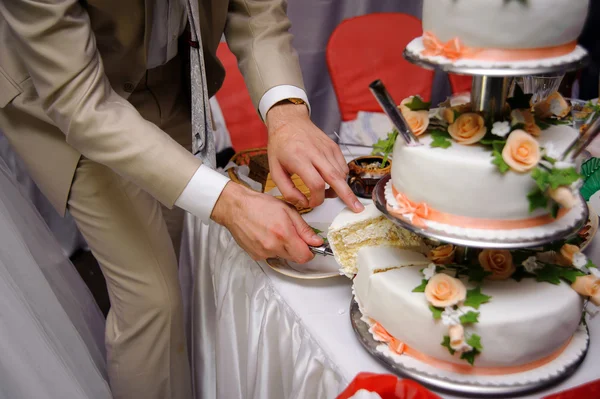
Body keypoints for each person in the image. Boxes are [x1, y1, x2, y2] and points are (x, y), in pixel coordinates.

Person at [0, 1, 363, 398]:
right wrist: (229, 203)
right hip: (64, 99)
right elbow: (83, 106)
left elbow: (257, 13)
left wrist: (287, 115)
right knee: (152, 300)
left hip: (172, 75)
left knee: (172, 253)